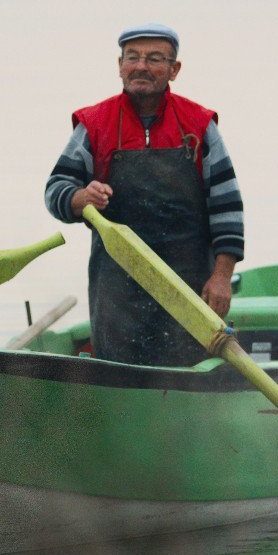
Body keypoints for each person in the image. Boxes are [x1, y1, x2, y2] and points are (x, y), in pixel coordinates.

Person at [44, 23, 244, 367]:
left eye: (154, 59)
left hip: (191, 285)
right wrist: (80, 199)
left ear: (174, 69)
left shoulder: (198, 125)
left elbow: (227, 207)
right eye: (132, 57)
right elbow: (56, 189)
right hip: (117, 291)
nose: (141, 66)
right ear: (120, 65)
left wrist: (222, 276)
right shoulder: (94, 124)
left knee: (191, 369)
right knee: (120, 373)